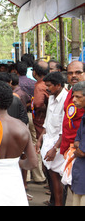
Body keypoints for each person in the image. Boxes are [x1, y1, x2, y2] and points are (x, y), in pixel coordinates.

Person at [36, 71, 68, 206]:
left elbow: (64, 128)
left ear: (58, 85)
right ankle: (54, 201)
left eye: (49, 86)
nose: (47, 89)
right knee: (48, 173)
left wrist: (55, 149)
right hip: (49, 140)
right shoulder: (52, 97)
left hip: (58, 144)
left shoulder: (66, 99)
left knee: (56, 178)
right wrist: (39, 140)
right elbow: (48, 122)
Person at [30, 60, 50, 184]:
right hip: (46, 120)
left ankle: (46, 179)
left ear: (35, 72)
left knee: (41, 146)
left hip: (41, 121)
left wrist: (45, 109)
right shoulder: (48, 84)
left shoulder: (39, 86)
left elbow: (37, 103)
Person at [71, 81, 85, 206]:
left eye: (78, 97)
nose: (74, 100)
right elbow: (76, 140)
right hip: (80, 174)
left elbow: (81, 151)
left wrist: (78, 149)